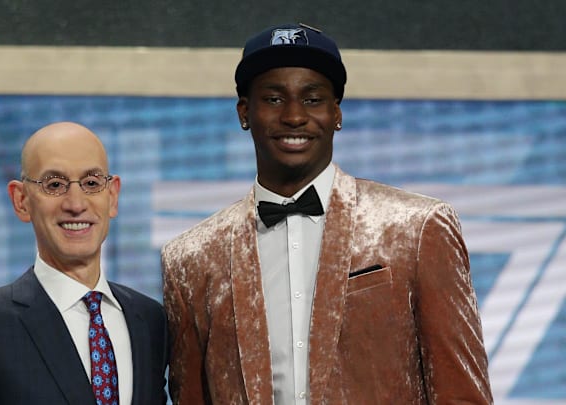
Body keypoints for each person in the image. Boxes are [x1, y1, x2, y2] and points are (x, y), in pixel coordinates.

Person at [161, 23, 493, 404]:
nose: (294, 116)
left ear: (336, 113)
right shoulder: (189, 258)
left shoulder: (418, 228)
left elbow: (461, 394)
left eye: (313, 99)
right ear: (244, 112)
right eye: (273, 99)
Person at [0, 122, 169, 404]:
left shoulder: (150, 321)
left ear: (112, 196)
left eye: (91, 183)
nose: (76, 203)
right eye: (54, 185)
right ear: (21, 200)